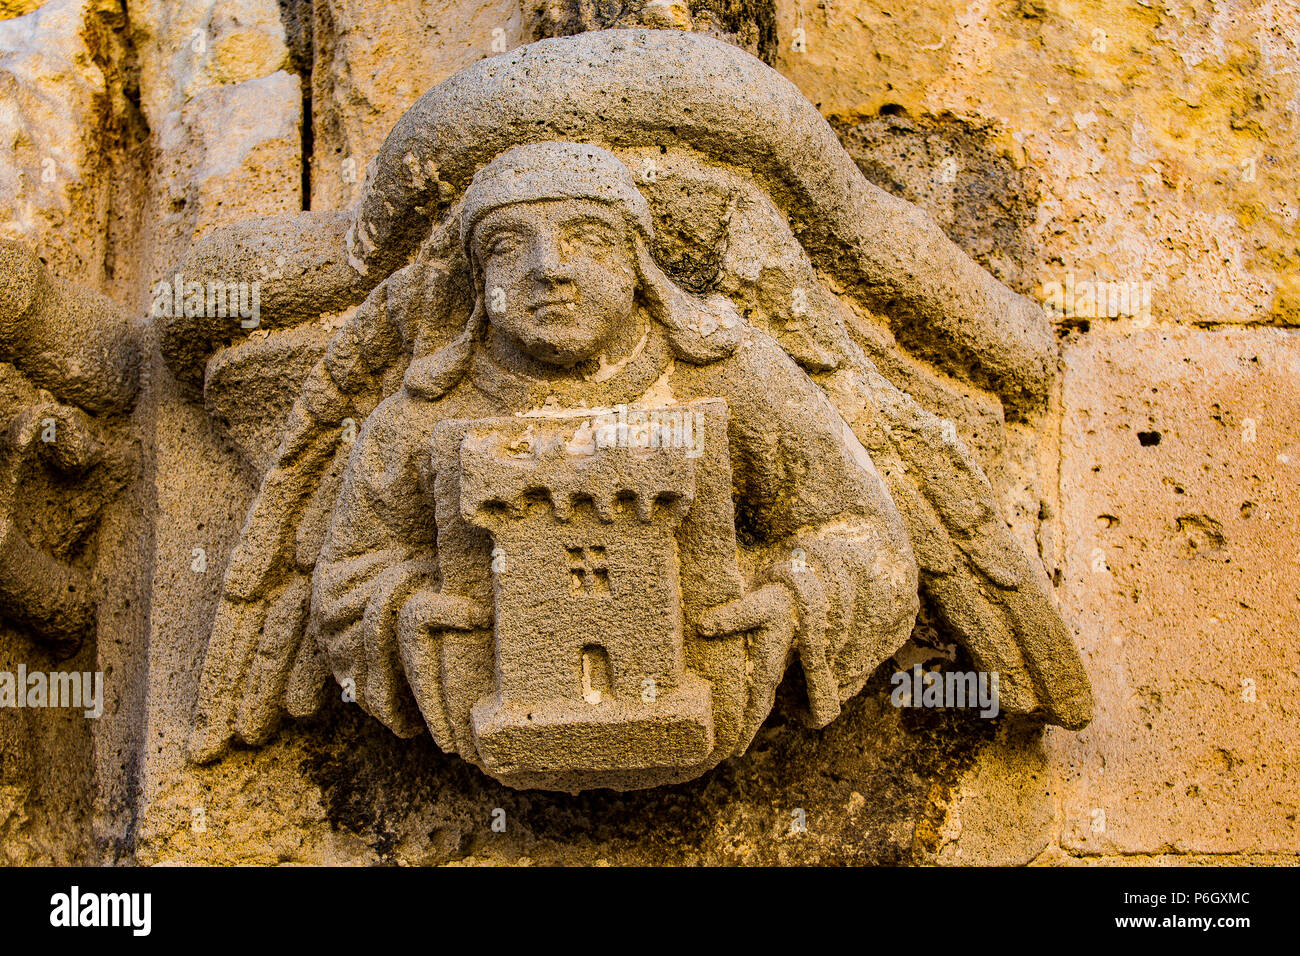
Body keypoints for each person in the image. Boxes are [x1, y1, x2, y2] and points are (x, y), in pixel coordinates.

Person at [312, 142, 920, 762]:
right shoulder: (421, 417)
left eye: (589, 238)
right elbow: (344, 584)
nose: (549, 267)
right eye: (508, 247)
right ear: (478, 281)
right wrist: (405, 617)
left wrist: (795, 602)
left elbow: (869, 541)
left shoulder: (737, 378)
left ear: (636, 262)